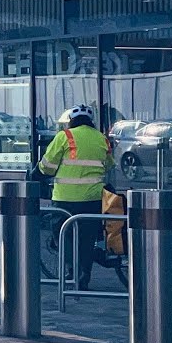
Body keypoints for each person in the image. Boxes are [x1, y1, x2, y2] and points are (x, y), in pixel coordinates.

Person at [35, 103, 114, 290]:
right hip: (93, 198)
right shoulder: (102, 138)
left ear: (71, 120)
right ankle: (84, 275)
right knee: (87, 238)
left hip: (66, 198)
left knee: (63, 235)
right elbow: (109, 164)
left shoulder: (65, 136)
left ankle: (73, 271)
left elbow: (47, 166)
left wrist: (37, 172)